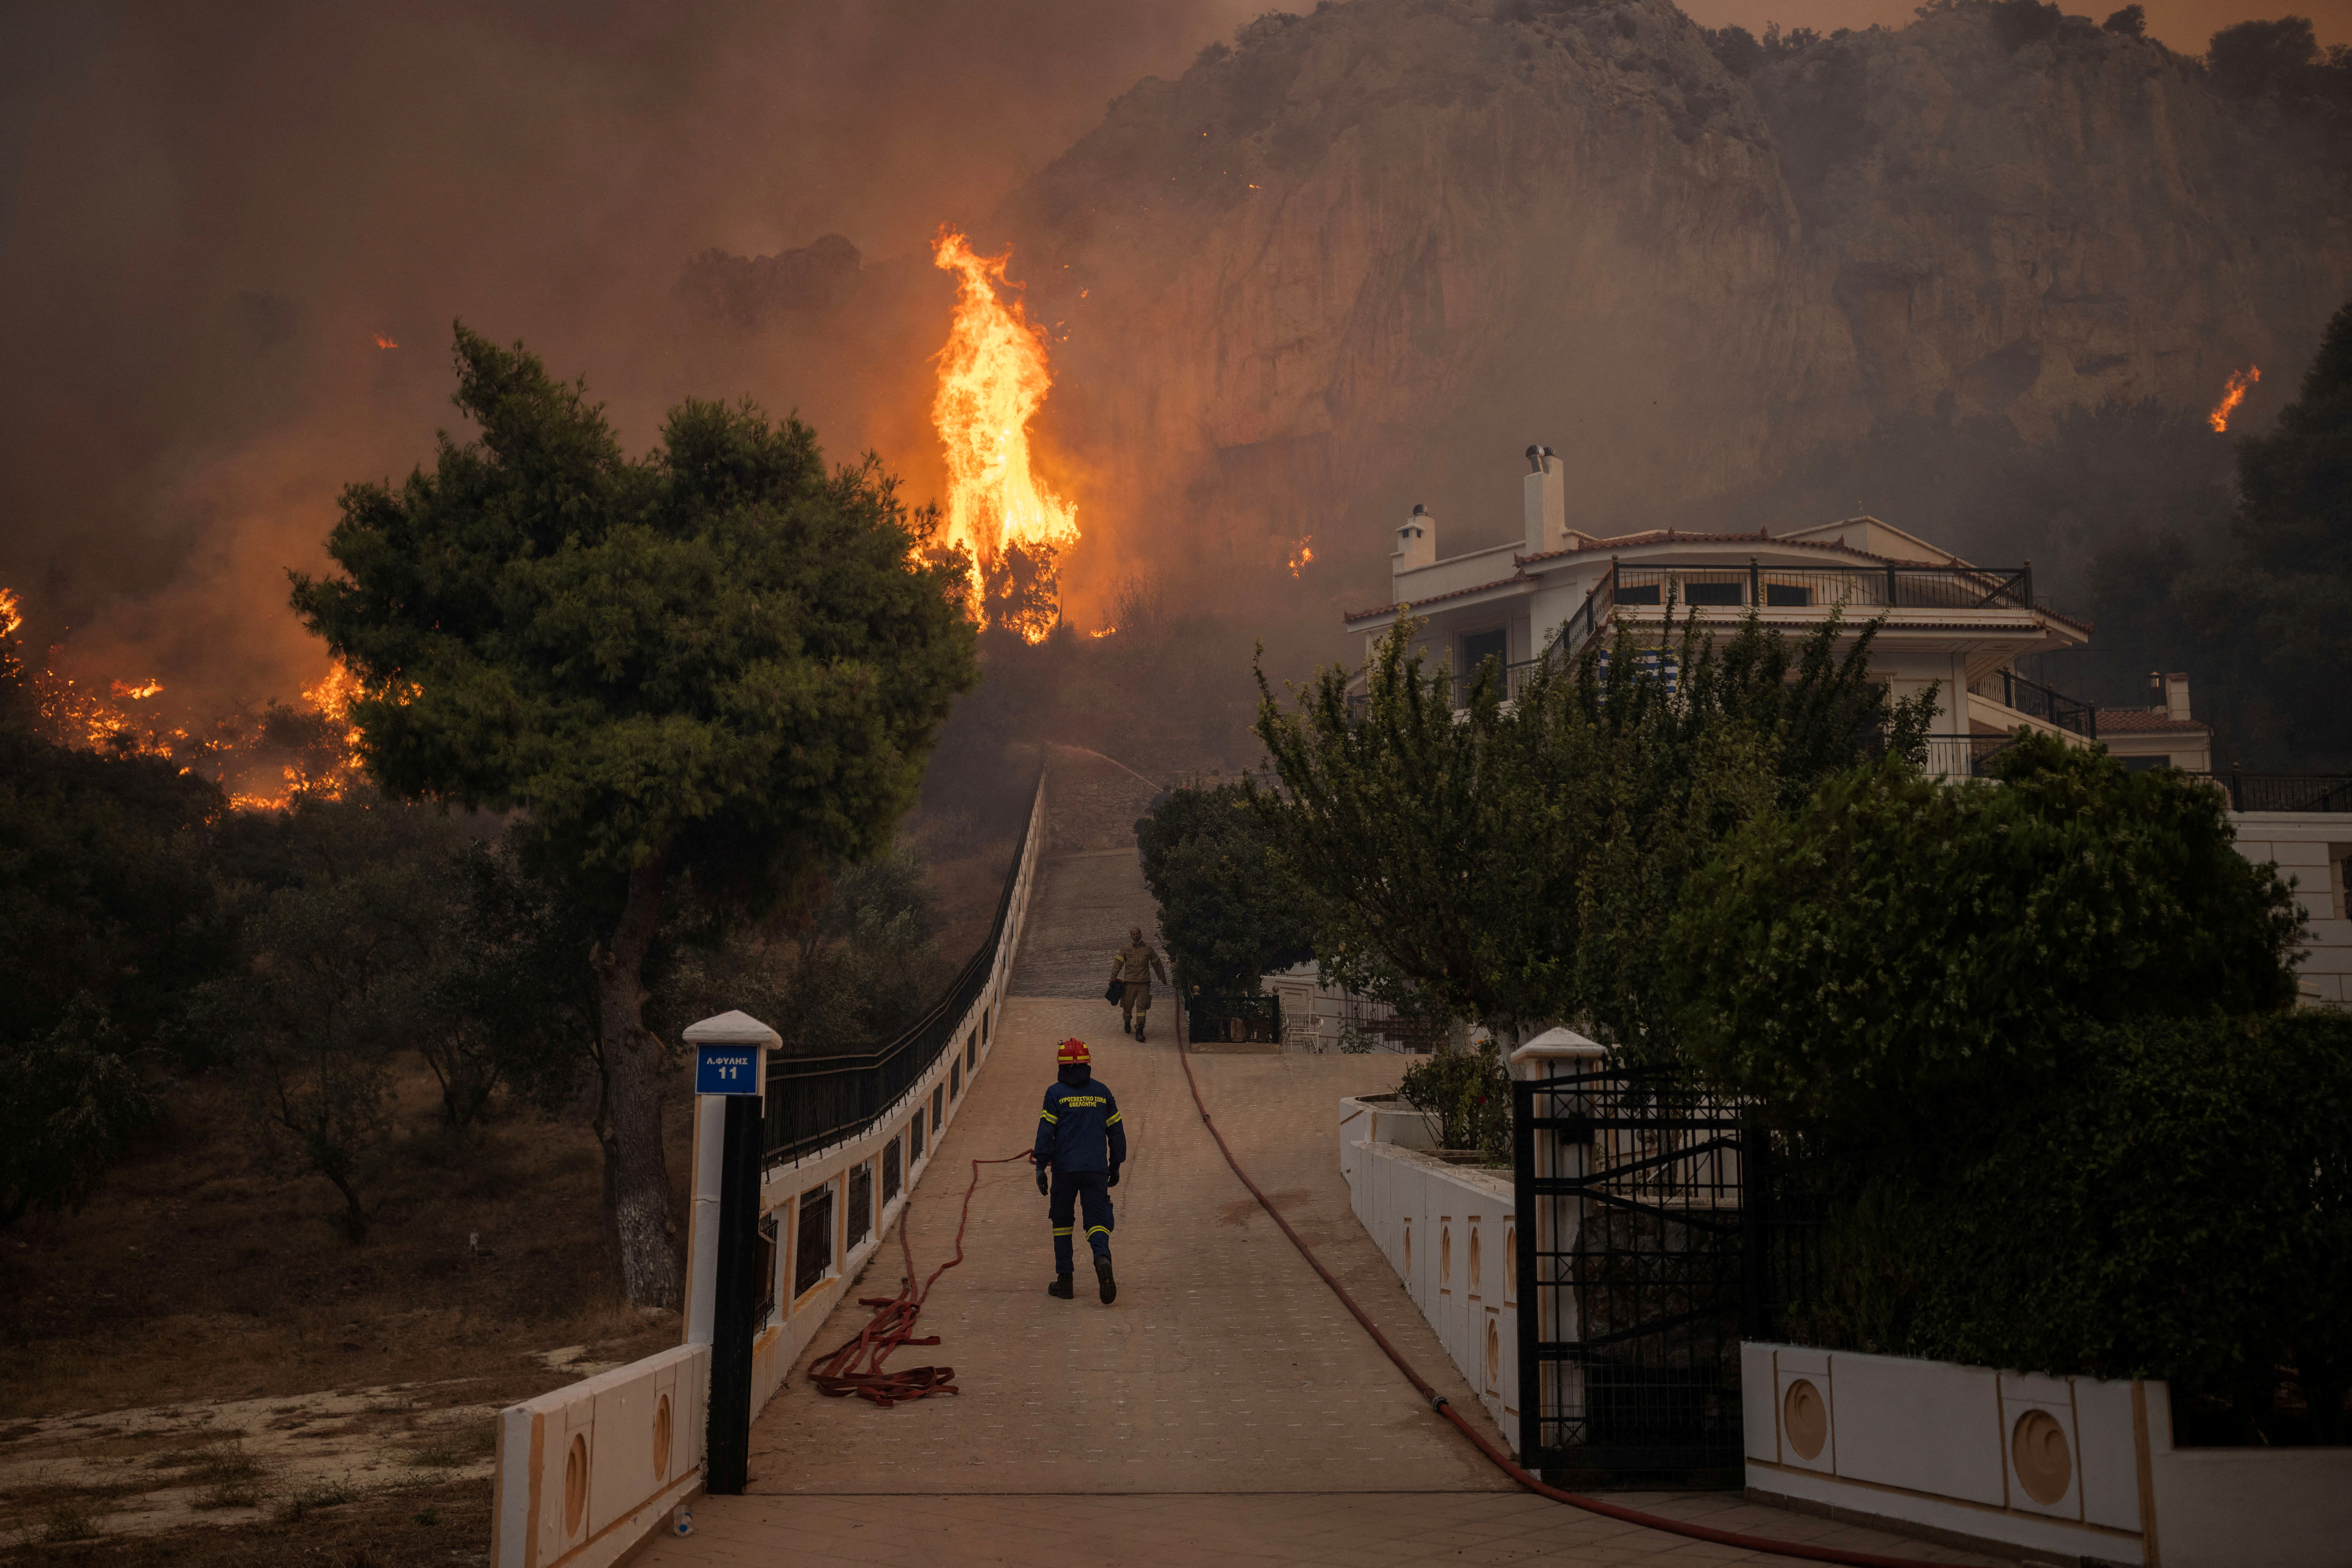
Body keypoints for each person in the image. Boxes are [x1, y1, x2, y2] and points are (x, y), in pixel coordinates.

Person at [1033, 1037, 1126, 1303]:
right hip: (1096, 1169)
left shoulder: (1055, 1094)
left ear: (1061, 1066)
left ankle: (1065, 1282)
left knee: (1062, 1223)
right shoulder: (1102, 1092)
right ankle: (1102, 1258)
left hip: (1065, 1170)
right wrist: (1115, 1165)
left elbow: (1046, 1132)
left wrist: (1041, 1167)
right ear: (1087, 1064)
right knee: (1097, 1221)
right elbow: (1117, 1133)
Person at [1109, 925, 1168, 1041]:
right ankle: (1127, 1021)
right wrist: (1113, 978)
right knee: (1127, 1006)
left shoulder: (1148, 949)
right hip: (1130, 984)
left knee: (1142, 1007)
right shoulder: (1126, 949)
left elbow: (1157, 963)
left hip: (1144, 983)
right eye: (1134, 935)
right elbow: (1118, 964)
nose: (1136, 936)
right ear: (1131, 936)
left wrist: (1162, 977)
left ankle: (1140, 1030)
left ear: (1141, 935)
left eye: (1138, 934)